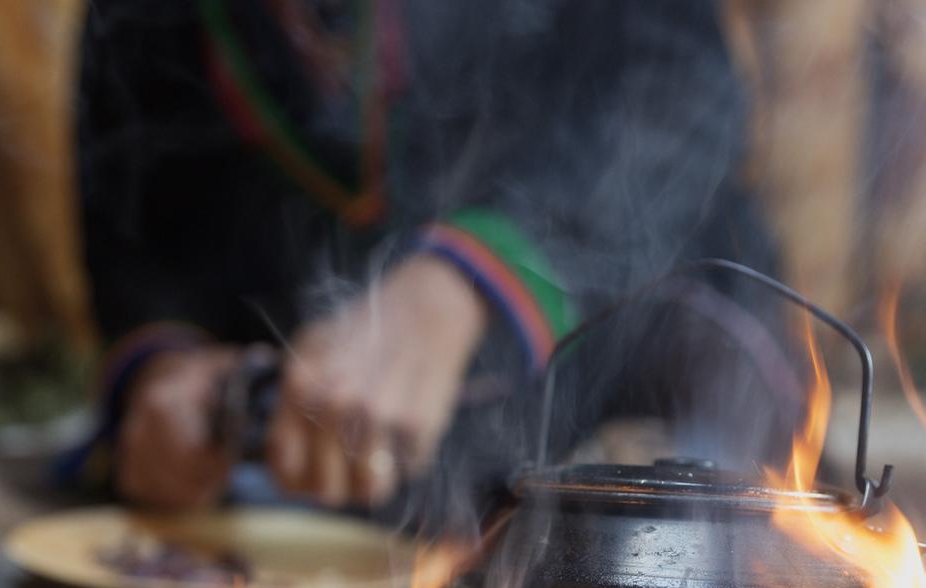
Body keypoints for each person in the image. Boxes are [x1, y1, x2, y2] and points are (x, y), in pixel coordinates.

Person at [75, 0, 786, 519]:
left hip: (646, 384)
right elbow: (136, 204)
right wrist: (166, 366)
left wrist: (463, 280)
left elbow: (674, 87)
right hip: (335, 478)